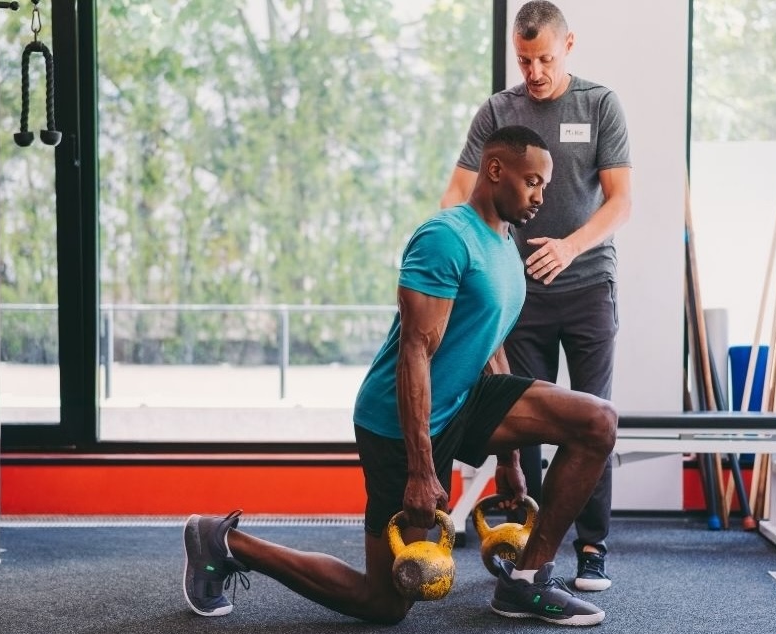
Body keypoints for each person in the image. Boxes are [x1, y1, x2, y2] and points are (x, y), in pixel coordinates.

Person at [181, 125, 617, 627]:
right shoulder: (445, 239)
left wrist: (510, 457)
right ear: (495, 170)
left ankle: (527, 581)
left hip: (465, 399)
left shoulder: (503, 241)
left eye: (544, 185)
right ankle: (224, 541)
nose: (541, 196)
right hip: (399, 420)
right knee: (384, 603)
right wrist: (420, 470)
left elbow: (490, 341)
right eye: (533, 182)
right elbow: (415, 352)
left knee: (596, 421)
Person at [440, 1, 632, 592]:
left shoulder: (599, 105)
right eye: (524, 60)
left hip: (588, 285)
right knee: (523, 420)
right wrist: (456, 254)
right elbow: (455, 193)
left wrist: (570, 248)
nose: (535, 72)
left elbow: (621, 201)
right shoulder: (499, 111)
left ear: (567, 45)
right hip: (520, 293)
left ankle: (592, 547)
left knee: (593, 415)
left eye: (545, 58)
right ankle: (528, 544)